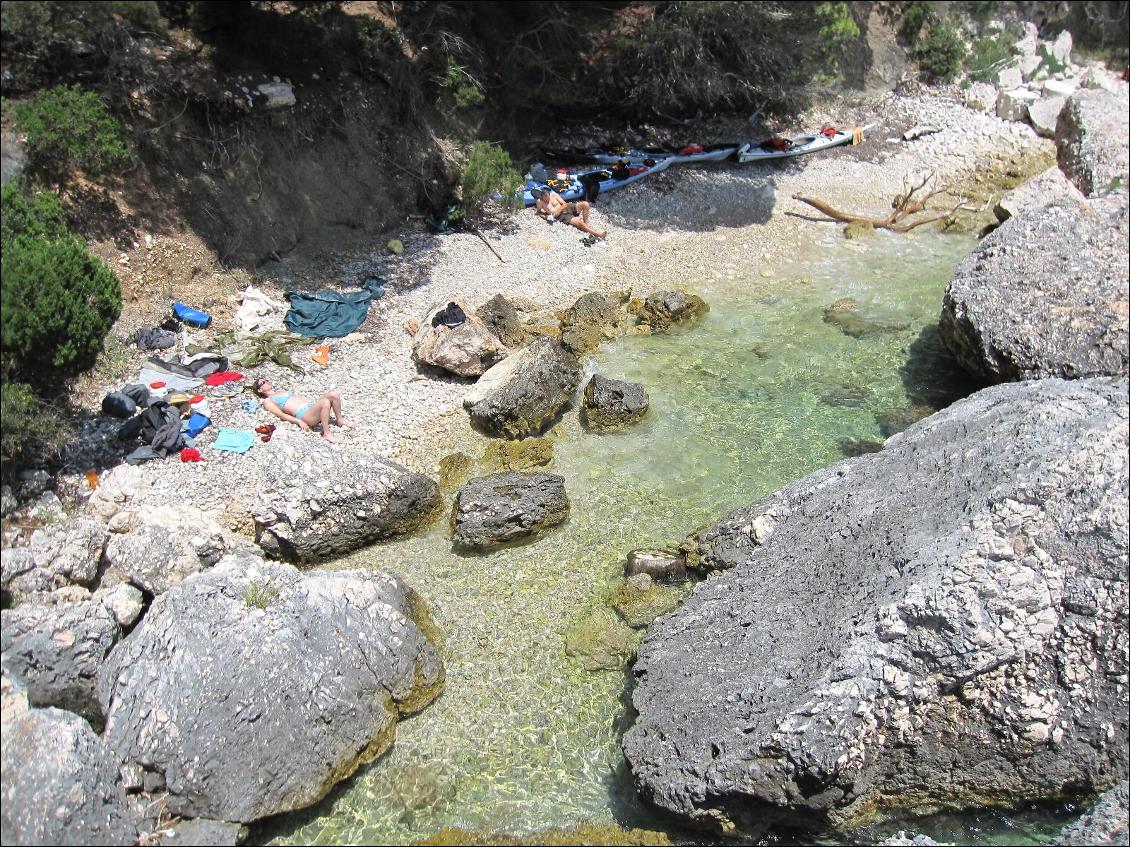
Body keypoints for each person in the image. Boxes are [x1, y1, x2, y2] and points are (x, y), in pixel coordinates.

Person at [254, 377, 354, 444]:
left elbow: (299, 398)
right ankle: (327, 434)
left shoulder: (280, 391)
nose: (267, 382)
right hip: (304, 414)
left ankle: (340, 420)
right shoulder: (268, 401)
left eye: (266, 380)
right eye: (263, 382)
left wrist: (313, 404)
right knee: (325, 402)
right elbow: (281, 415)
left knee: (333, 394)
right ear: (260, 390)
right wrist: (299, 421)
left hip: (310, 407)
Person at [535, 188, 607, 239]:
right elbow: (538, 212)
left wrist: (559, 210)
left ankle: (586, 224)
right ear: (542, 197)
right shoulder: (540, 202)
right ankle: (597, 234)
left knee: (585, 204)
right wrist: (546, 217)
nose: (547, 200)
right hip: (562, 216)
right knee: (579, 223)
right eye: (545, 199)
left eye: (547, 198)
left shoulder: (553, 195)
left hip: (566, 207)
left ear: (549, 194)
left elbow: (564, 204)